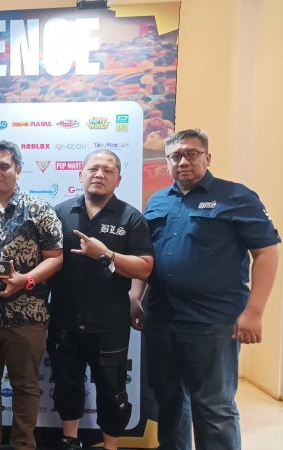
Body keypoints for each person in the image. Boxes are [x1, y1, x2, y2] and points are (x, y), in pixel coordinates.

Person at [138, 129, 279, 450]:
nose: (183, 161)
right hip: (162, 319)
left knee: (213, 407)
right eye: (175, 156)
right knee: (169, 401)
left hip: (213, 322)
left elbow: (267, 253)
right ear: (167, 162)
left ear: (207, 158)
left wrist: (254, 311)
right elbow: (148, 258)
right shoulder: (158, 201)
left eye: (191, 154)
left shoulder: (237, 196)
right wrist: (137, 298)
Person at [48, 150, 154, 450]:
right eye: (93, 168)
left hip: (109, 324)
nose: (99, 174)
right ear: (80, 174)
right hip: (64, 321)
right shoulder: (59, 213)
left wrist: (106, 254)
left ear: (118, 179)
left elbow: (145, 267)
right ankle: (70, 440)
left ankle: (111, 446)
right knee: (67, 385)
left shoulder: (131, 218)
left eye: (108, 170)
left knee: (112, 390)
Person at [0, 140, 63, 450]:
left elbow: (56, 258)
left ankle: (23, 445)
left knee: (26, 387)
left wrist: (25, 281)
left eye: (4, 166)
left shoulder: (39, 209)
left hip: (27, 316)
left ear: (18, 169)